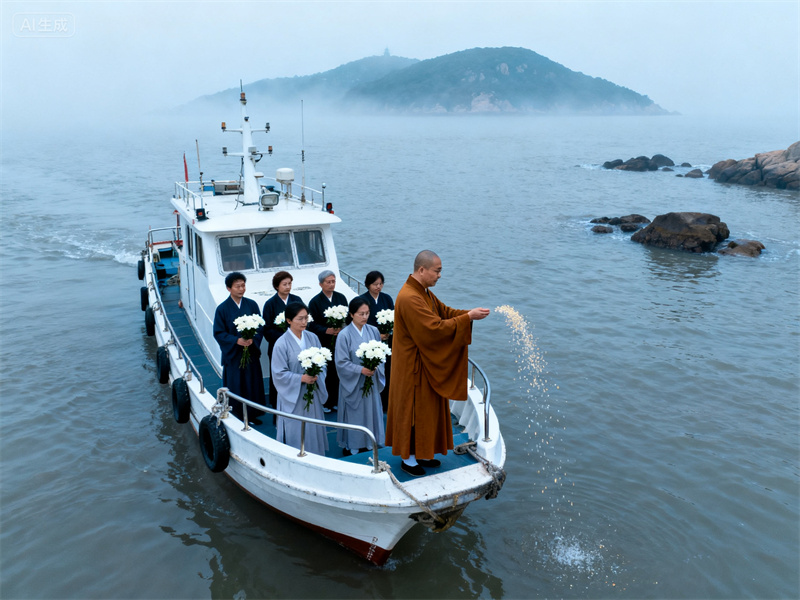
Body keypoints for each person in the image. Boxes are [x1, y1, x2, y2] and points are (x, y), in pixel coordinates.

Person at [385, 251, 490, 477]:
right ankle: (408, 459)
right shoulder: (409, 297)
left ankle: (423, 453)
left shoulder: (423, 292)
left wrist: (470, 314)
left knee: (428, 410)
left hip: (425, 363)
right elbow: (433, 329)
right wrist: (467, 318)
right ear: (422, 270)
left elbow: (446, 313)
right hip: (412, 368)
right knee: (413, 412)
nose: (440, 275)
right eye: (437, 270)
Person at [270, 302, 329, 456]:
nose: (304, 322)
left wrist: (317, 374)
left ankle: (316, 455)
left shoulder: (313, 337)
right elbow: (278, 373)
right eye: (300, 319)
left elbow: (322, 362)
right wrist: (301, 378)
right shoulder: (281, 344)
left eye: (306, 318)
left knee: (313, 425)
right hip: (293, 396)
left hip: (312, 392)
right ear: (289, 320)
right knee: (296, 427)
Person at [212, 272, 267, 424]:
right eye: (238, 286)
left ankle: (253, 414)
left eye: (243, 285)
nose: (242, 289)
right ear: (229, 288)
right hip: (234, 355)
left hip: (250, 352)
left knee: (252, 383)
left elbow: (260, 326)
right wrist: (236, 340)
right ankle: (236, 413)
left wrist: (252, 339)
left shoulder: (252, 304)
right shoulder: (222, 309)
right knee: (236, 384)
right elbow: (218, 333)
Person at [335, 297, 386, 456]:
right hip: (353, 382)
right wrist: (360, 369)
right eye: (361, 314)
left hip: (370, 379)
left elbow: (381, 354)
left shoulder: (373, 331)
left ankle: (370, 442)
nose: (365, 317)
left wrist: (375, 366)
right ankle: (354, 445)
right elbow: (341, 362)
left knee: (371, 411)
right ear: (351, 314)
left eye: (367, 313)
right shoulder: (344, 335)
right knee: (355, 413)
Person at [307, 270, 348, 412]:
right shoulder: (315, 302)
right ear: (321, 284)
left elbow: (347, 318)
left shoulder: (341, 298)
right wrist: (326, 330)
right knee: (326, 372)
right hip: (324, 342)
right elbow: (311, 324)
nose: (331, 284)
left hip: (339, 340)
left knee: (338, 370)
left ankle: (337, 400)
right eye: (328, 282)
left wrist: (341, 328)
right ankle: (326, 402)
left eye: (333, 281)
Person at [262, 271, 302, 412]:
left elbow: (304, 320)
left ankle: (298, 399)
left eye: (289, 283)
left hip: (297, 345)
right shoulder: (270, 304)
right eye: (284, 284)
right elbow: (267, 329)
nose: (288, 287)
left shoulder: (297, 300)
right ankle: (276, 403)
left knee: (296, 371)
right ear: (277, 286)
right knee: (278, 374)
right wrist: (284, 337)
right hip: (277, 346)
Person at [359, 270, 394, 413]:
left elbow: (393, 317)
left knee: (387, 370)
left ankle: (387, 402)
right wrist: (377, 334)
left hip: (387, 341)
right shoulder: (362, 300)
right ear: (368, 284)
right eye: (375, 284)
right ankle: (371, 402)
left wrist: (388, 332)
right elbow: (360, 322)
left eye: (380, 284)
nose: (378, 287)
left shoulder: (387, 298)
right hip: (370, 343)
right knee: (373, 371)